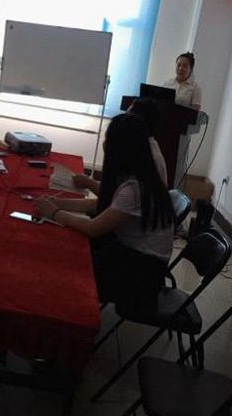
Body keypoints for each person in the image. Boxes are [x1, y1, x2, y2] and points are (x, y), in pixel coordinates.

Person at [36, 114, 174, 312]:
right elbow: (103, 206)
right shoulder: (141, 176)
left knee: (68, 263)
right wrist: (59, 203)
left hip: (141, 273)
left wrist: (56, 213)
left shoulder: (135, 188)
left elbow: (94, 228)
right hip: (135, 257)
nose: (104, 144)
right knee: (71, 247)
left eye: (107, 139)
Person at [72, 98, 168, 193]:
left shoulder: (144, 155)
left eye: (127, 116)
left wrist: (89, 183)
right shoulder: (144, 146)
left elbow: (114, 196)